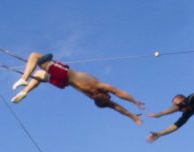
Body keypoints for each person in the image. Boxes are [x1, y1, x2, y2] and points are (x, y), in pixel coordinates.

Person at [10, 51, 145, 125]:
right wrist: (133, 117)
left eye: (107, 96)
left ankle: (23, 79)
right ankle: (24, 91)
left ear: (103, 95)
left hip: (63, 74)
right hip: (62, 84)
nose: (110, 96)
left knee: (34, 56)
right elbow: (117, 107)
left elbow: (120, 93)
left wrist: (135, 102)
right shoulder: (94, 97)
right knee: (39, 74)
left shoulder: (99, 86)